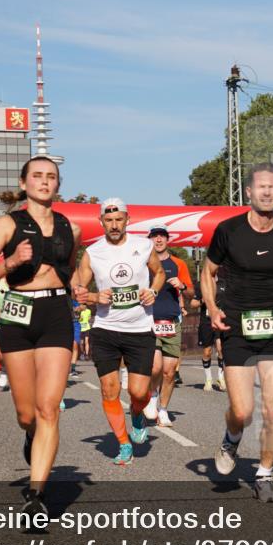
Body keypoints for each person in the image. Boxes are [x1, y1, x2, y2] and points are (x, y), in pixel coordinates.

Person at [202, 163, 273, 502]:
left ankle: (264, 474)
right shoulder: (228, 230)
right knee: (243, 412)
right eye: (260, 187)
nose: (267, 192)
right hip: (237, 326)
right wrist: (212, 308)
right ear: (249, 193)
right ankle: (231, 438)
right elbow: (207, 273)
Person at [0, 156, 82, 518]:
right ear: (24, 184)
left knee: (49, 408)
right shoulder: (8, 223)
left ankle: (36, 495)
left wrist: (79, 289)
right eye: (37, 176)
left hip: (55, 314)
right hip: (18, 315)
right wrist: (13, 262)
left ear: (57, 184)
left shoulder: (71, 227)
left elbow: (72, 272)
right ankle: (30, 436)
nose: (44, 182)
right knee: (27, 414)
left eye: (51, 177)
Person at [72, 198, 165, 465]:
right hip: (105, 329)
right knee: (109, 390)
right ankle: (124, 444)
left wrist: (153, 291)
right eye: (109, 220)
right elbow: (77, 291)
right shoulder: (92, 252)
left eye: (119, 220)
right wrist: (93, 296)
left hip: (139, 328)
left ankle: (137, 413)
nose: (114, 225)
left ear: (127, 220)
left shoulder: (143, 245)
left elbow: (158, 273)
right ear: (101, 222)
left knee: (138, 392)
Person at [143, 224, 194, 427]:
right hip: (148, 320)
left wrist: (182, 286)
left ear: (168, 240)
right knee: (155, 368)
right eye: (154, 236)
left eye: (162, 236)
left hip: (171, 322)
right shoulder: (143, 263)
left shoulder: (178, 263)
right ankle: (152, 397)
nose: (158, 240)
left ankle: (163, 409)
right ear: (150, 240)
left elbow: (191, 293)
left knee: (169, 371)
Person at [190, 288, 226, 391]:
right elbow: (193, 303)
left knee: (221, 348)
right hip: (206, 322)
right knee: (207, 352)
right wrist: (202, 301)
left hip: (221, 320)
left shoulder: (224, 282)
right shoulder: (201, 285)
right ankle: (208, 379)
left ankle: (220, 377)